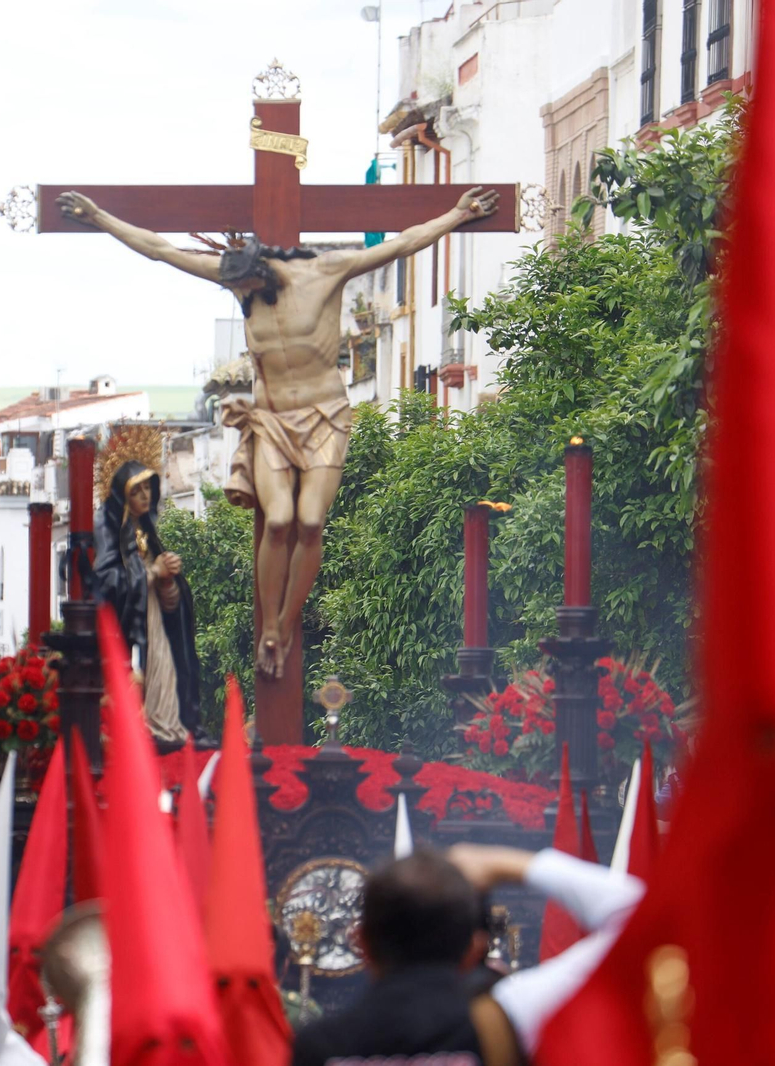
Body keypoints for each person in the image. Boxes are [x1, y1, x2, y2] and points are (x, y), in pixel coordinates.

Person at [59, 186, 497, 678]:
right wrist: (99, 217)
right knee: (280, 519)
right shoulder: (238, 281)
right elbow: (162, 251)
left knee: (310, 521)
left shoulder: (325, 272)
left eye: (248, 287)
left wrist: (457, 215)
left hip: (325, 415)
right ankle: (269, 625)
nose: (242, 295)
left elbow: (402, 243)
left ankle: (284, 626)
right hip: (270, 421)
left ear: (264, 271)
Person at [289, 844, 642, 1066]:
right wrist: (505, 863)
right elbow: (639, 918)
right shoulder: (512, 1017)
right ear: (475, 949)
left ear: (360, 942)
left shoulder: (316, 1045)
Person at [93, 460, 201, 742]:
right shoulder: (107, 526)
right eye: (137, 490)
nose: (145, 495)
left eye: (148, 488)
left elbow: (170, 603)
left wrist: (169, 579)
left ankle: (167, 729)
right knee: (147, 673)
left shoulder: (145, 529)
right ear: (122, 494)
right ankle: (148, 729)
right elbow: (107, 581)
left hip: (151, 613)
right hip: (126, 622)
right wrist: (153, 572)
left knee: (167, 670)